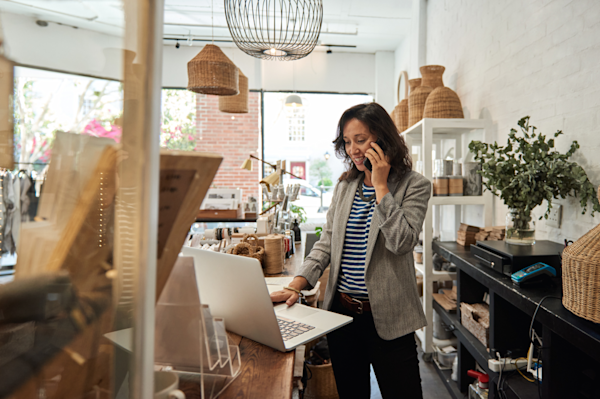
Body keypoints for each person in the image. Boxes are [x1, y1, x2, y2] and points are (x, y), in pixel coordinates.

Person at [270, 102, 431, 398]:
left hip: (391, 320)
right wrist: (298, 283)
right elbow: (326, 244)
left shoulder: (414, 185)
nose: (353, 149)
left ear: (383, 139)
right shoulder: (345, 187)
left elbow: (402, 242)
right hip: (342, 318)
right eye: (347, 141)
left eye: (360, 140)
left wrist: (381, 187)